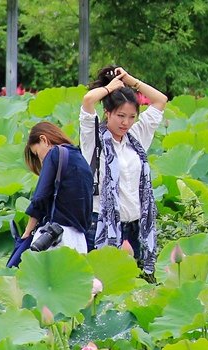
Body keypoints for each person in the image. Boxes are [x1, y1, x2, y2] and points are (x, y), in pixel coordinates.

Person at [80, 66, 168, 278]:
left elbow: (160, 100)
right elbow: (88, 101)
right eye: (120, 116)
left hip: (135, 227)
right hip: (101, 224)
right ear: (107, 113)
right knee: (104, 286)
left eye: (131, 116)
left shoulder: (136, 138)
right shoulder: (94, 139)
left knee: (132, 285)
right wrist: (110, 88)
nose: (126, 123)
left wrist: (131, 80)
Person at [21, 122, 93, 253]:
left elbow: (40, 197)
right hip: (79, 239)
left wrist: (27, 232)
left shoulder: (54, 153)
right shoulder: (80, 156)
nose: (40, 159)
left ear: (44, 139)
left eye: (37, 153)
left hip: (55, 236)